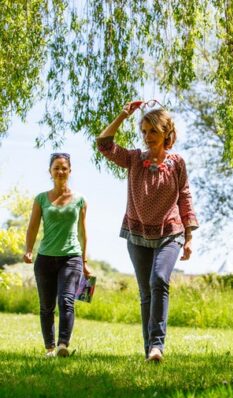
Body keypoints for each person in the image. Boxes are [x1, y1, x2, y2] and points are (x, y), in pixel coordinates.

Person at [96, 101, 199, 361]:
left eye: (152, 131)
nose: (146, 137)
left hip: (170, 232)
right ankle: (150, 350)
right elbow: (104, 144)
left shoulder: (177, 163)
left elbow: (184, 197)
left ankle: (157, 345)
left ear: (166, 133)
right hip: (137, 233)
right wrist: (123, 114)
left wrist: (189, 236)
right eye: (143, 131)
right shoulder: (133, 159)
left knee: (159, 281)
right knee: (145, 293)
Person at [23, 153, 91, 357]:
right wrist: (28, 249)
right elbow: (33, 227)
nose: (60, 171)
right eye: (56, 168)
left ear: (70, 171)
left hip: (71, 257)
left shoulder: (80, 200)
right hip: (44, 258)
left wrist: (85, 261)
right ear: (50, 172)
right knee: (46, 306)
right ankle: (50, 348)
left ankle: (63, 345)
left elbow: (83, 232)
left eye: (64, 168)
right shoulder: (41, 199)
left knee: (67, 300)